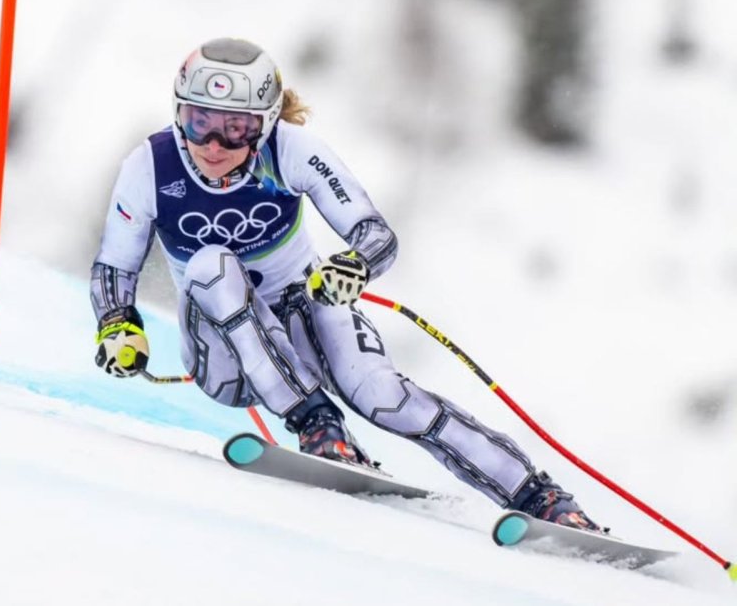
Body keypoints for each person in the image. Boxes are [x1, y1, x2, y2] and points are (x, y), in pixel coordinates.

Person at [88, 37, 601, 531]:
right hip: (226, 359)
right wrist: (117, 324)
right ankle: (317, 422)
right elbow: (115, 266)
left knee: (383, 395)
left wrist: (354, 265)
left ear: (264, 126)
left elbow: (374, 234)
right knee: (211, 265)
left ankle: (540, 496)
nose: (214, 146)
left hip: (303, 315)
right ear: (179, 113)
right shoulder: (150, 166)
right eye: (199, 123)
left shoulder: (291, 151)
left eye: (236, 129)